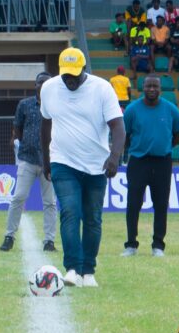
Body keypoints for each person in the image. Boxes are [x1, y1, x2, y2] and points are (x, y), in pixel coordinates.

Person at [40, 47, 125, 287]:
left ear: (84, 70)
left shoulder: (102, 89)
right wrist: (47, 160)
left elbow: (118, 127)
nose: (70, 80)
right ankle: (72, 269)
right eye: (66, 75)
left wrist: (114, 156)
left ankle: (88, 271)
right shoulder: (49, 89)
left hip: (97, 165)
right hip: (63, 162)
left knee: (92, 219)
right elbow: (45, 125)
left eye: (75, 75)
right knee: (69, 212)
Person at [123, 75, 179, 258]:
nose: (151, 89)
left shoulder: (170, 109)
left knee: (161, 204)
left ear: (160, 88)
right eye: (148, 85)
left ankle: (158, 245)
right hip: (138, 161)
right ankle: (131, 245)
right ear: (142, 87)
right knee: (133, 203)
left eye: (155, 86)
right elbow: (125, 135)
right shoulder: (132, 109)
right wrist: (135, 148)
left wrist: (164, 147)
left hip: (162, 162)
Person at [0, 72, 57, 252]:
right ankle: (9, 236)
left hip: (51, 160)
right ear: (35, 85)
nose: (43, 86)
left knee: (50, 202)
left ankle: (49, 241)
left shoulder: (57, 105)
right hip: (28, 159)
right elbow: (17, 126)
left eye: (47, 83)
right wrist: (25, 144)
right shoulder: (24, 104)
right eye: (40, 82)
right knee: (18, 197)